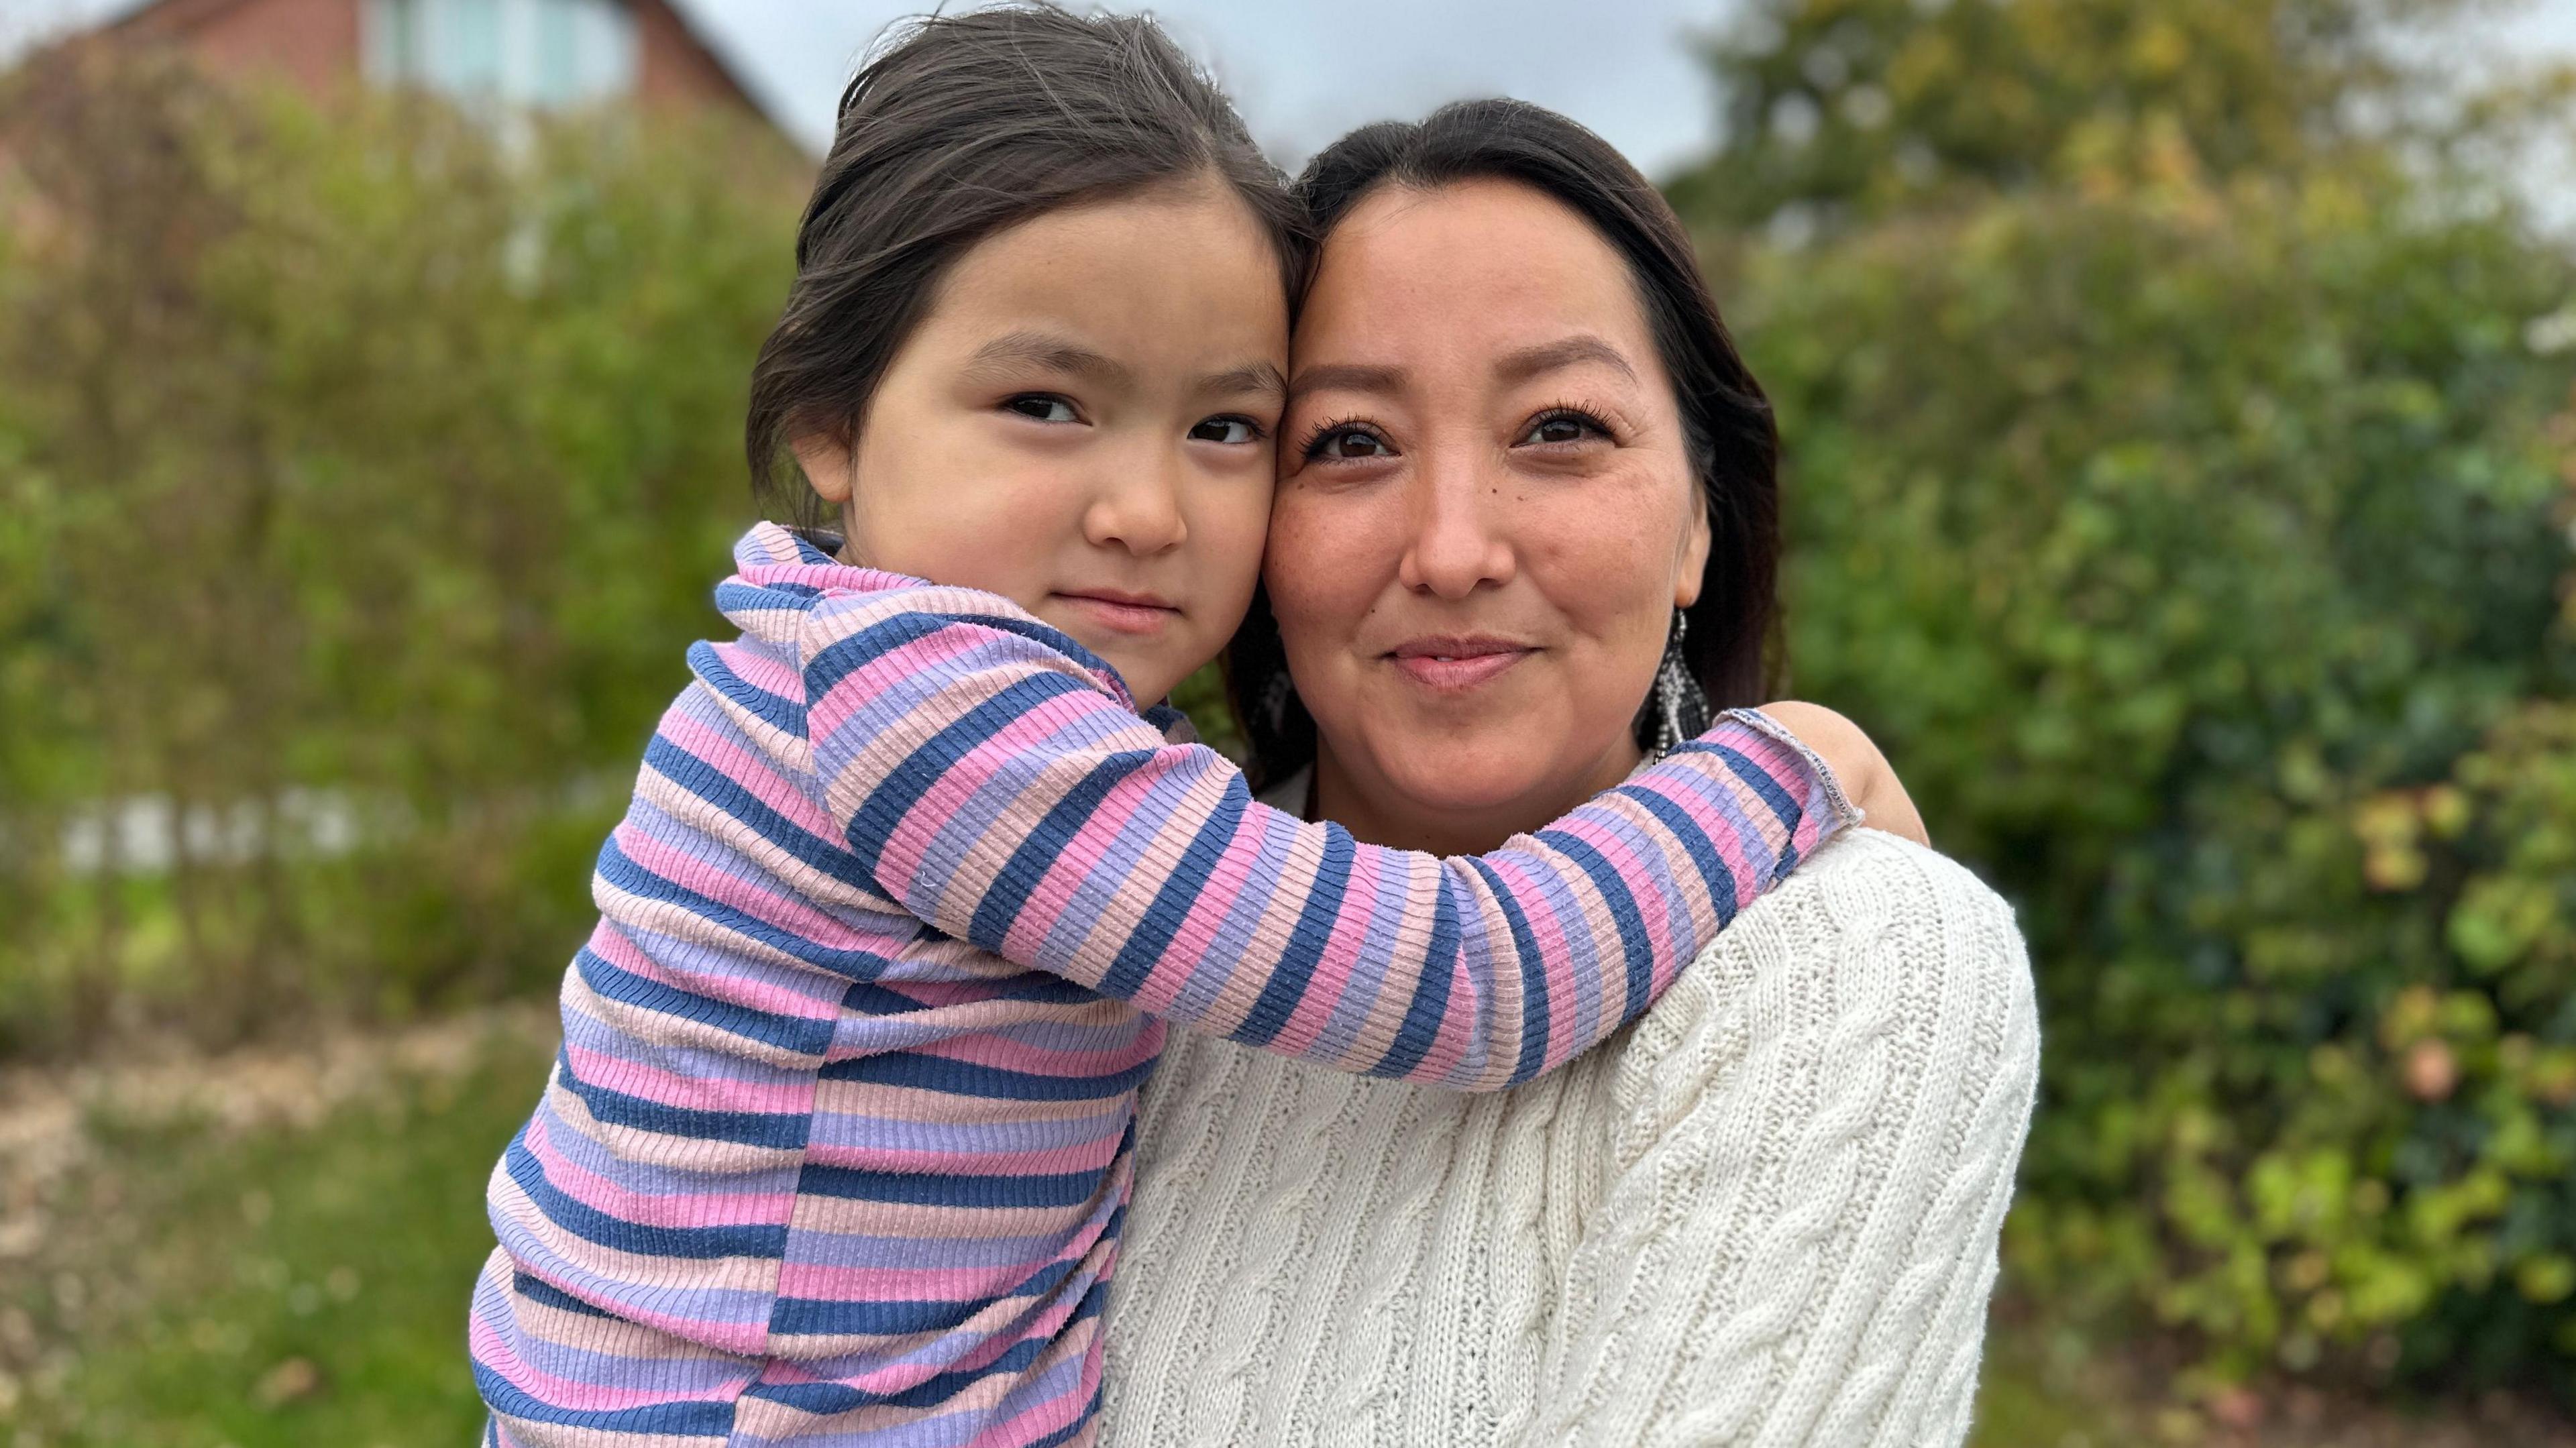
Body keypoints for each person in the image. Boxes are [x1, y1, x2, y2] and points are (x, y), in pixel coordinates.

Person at [467, 11, 1913, 1446]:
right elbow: (1468, 978)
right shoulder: (937, 711)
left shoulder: (852, 672)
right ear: (832, 424)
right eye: (1045, 402)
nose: (1147, 513)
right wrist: (1787, 768)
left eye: (1227, 429)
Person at [1099, 101, 2037, 1447]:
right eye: (1351, 441)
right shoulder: (1094, 947)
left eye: (1560, 428)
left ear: (1699, 523)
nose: (1454, 549)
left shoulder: (1854, 959)